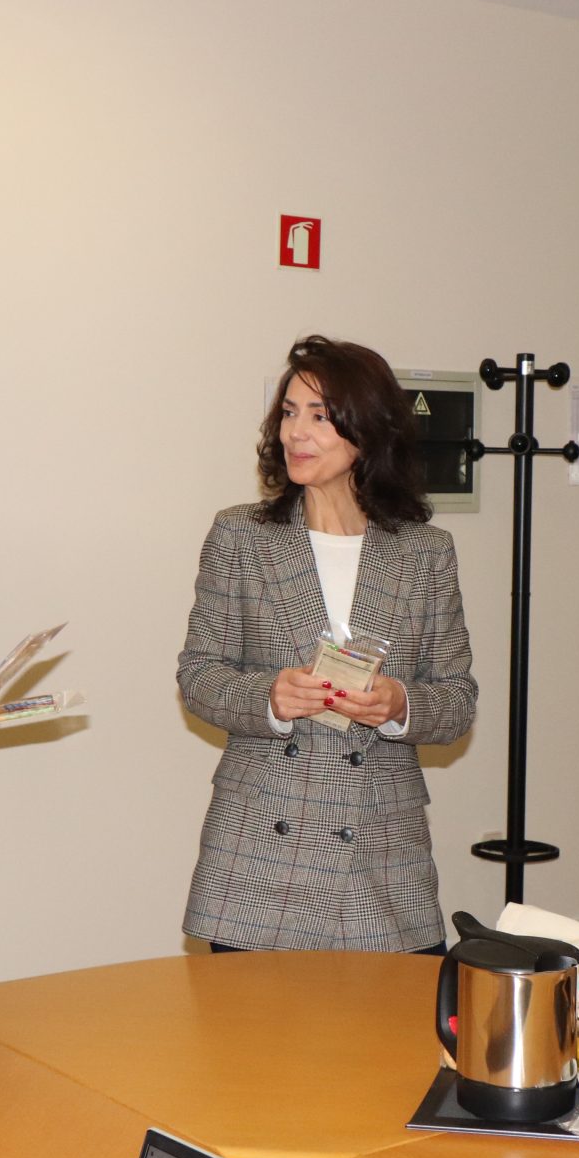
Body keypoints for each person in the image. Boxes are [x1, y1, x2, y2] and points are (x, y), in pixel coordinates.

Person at [178, 335, 477, 953]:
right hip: (261, 856)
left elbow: (457, 701)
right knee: (252, 1047)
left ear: (368, 431)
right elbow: (199, 675)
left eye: (318, 417)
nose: (296, 433)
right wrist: (269, 695)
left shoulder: (425, 553)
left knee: (391, 1045)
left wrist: (399, 706)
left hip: (382, 857)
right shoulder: (241, 536)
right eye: (288, 413)